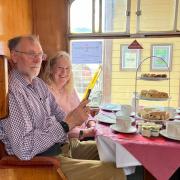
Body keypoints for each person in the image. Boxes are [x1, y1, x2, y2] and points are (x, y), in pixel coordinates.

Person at [0, 35, 126, 180]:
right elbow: (23, 149)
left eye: (40, 54)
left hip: (63, 145)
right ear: (14, 56)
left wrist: (78, 116)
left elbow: (60, 114)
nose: (37, 60)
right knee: (115, 171)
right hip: (45, 161)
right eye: (31, 54)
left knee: (115, 151)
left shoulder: (38, 84)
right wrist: (67, 124)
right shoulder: (12, 93)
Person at [41, 51, 98, 160]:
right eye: (60, 68)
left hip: (84, 135)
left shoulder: (70, 89)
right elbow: (59, 128)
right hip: (72, 139)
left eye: (68, 69)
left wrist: (91, 122)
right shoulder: (46, 93)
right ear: (51, 70)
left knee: (111, 148)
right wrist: (87, 133)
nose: (64, 72)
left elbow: (82, 110)